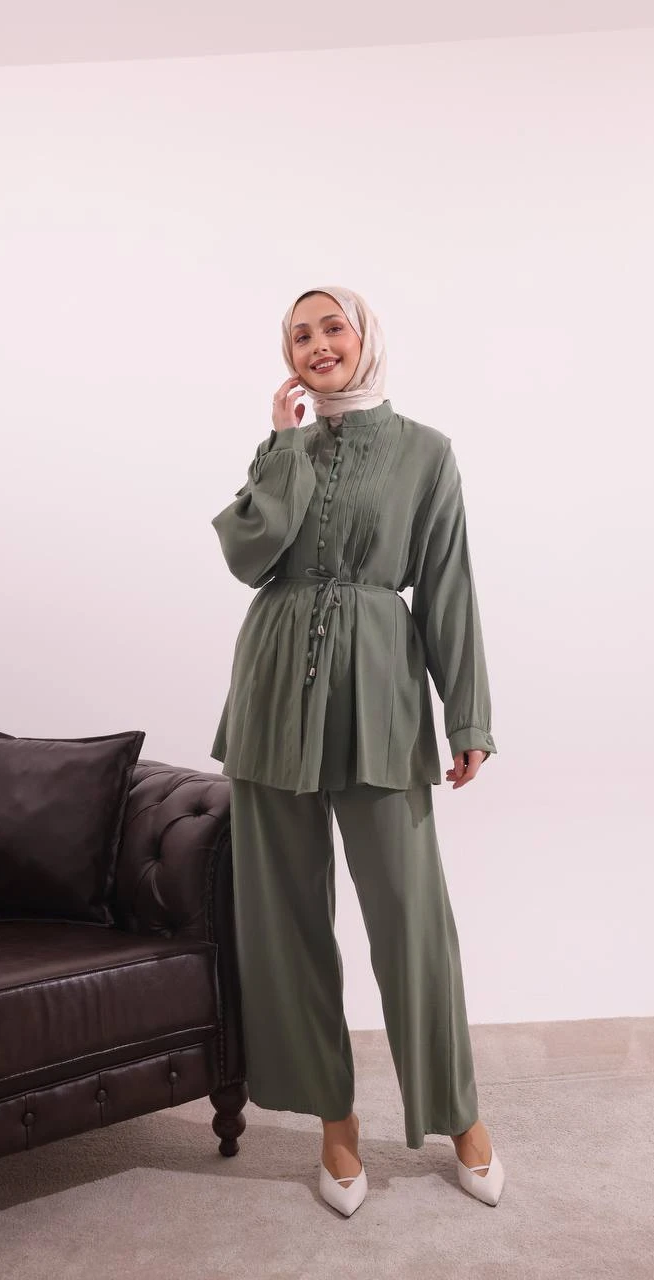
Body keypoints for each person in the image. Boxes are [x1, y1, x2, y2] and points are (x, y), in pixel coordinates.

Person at [210, 285, 505, 1215]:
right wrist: (281, 446)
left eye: (331, 326)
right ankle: (333, 1124)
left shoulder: (426, 451)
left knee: (411, 918)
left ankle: (458, 1114)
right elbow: (248, 556)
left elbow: (448, 584)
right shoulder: (283, 448)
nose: (317, 344)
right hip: (272, 698)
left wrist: (466, 717)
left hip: (378, 696)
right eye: (299, 335)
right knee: (285, 920)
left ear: (364, 334)